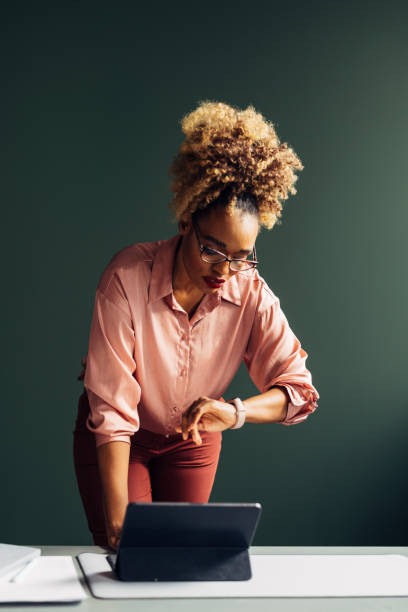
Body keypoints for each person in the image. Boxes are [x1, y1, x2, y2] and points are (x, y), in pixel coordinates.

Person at [73, 101, 320, 551]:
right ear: (186, 222)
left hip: (193, 443)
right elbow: (111, 416)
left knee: (182, 561)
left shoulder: (250, 292)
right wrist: (116, 525)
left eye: (242, 256)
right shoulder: (126, 278)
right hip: (120, 438)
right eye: (213, 251)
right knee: (132, 555)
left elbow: (299, 393)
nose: (225, 270)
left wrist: (235, 413)